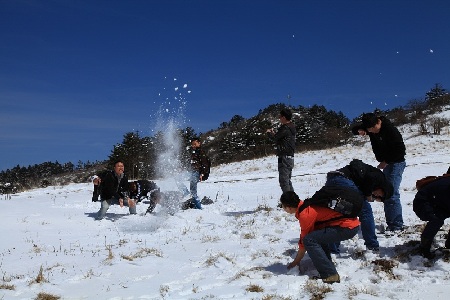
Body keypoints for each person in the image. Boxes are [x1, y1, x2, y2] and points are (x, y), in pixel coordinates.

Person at [280, 190, 360, 284]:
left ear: (288, 208)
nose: (283, 209)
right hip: (351, 224)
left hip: (347, 227)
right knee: (315, 236)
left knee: (309, 240)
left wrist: (295, 262)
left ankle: (330, 275)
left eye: (283, 206)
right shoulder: (306, 205)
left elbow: (304, 242)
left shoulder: (305, 214)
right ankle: (328, 266)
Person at [352, 112, 406, 232]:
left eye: (373, 129)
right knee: (386, 192)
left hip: (396, 163)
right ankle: (391, 223)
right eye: (369, 130)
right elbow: (354, 129)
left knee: (391, 193)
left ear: (378, 122)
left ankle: (397, 226)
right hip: (387, 164)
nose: (372, 132)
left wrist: (386, 161)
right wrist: (360, 131)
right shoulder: (371, 127)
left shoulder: (390, 130)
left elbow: (400, 151)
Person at [325, 159, 394, 252]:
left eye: (378, 198)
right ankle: (372, 246)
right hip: (343, 180)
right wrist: (368, 194)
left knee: (341, 214)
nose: (377, 195)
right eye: (380, 195)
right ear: (385, 189)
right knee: (365, 211)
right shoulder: (380, 177)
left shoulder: (367, 180)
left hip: (332, 179)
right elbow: (370, 177)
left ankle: (332, 248)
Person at [413, 172, 450, 258]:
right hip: (422, 203)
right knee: (437, 220)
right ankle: (423, 248)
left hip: (438, 202)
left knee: (439, 217)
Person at [266, 108, 296, 194]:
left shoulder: (285, 128)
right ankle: (293, 201)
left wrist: (269, 133)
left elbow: (275, 138)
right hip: (289, 157)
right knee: (287, 181)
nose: (279, 118)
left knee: (284, 181)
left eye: (280, 116)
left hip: (284, 157)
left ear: (284, 117)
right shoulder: (291, 127)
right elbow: (280, 138)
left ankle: (289, 203)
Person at [178, 137, 209, 209]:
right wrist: (182, 169)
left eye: (195, 144)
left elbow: (205, 164)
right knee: (177, 178)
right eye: (192, 144)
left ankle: (198, 207)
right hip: (190, 171)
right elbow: (189, 163)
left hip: (196, 172)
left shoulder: (201, 152)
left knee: (193, 190)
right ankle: (186, 193)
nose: (193, 146)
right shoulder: (192, 152)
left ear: (199, 143)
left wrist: (202, 173)